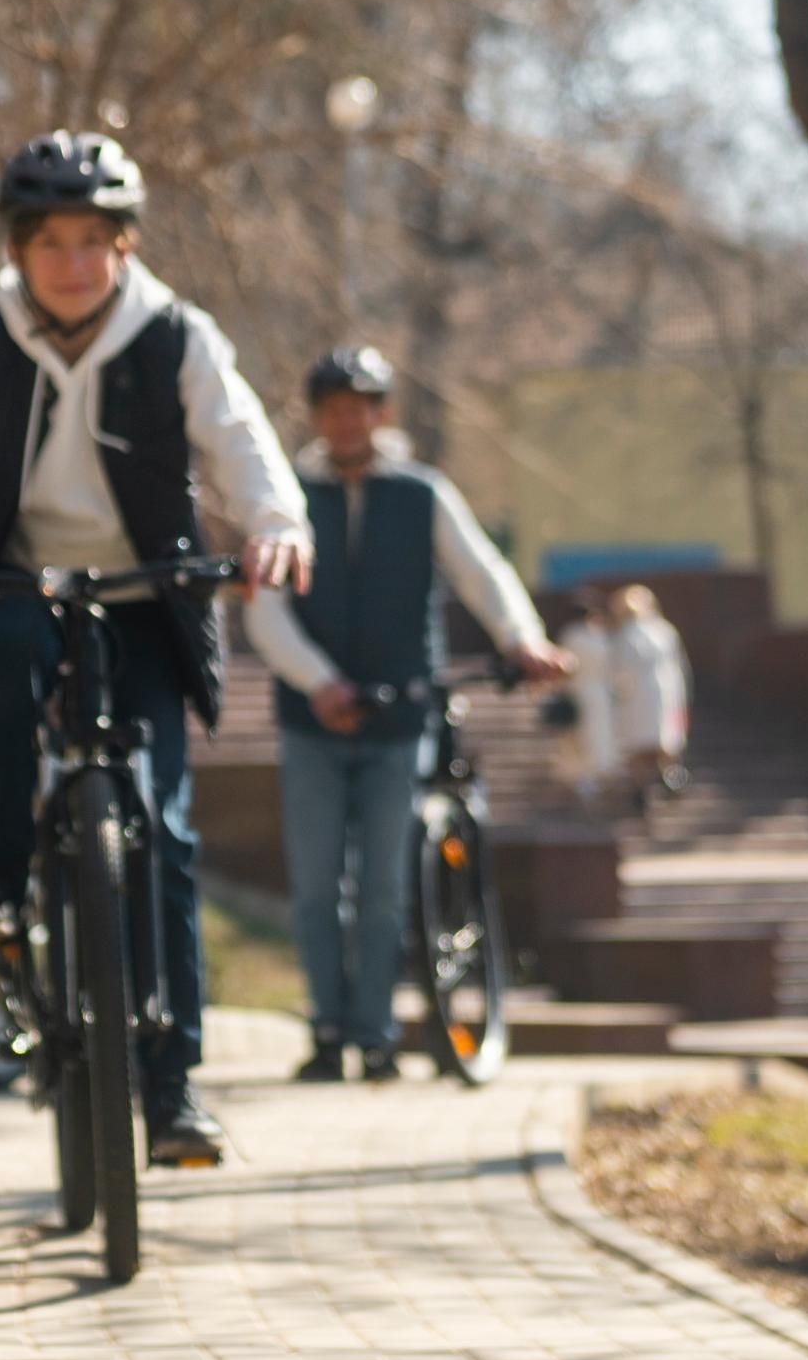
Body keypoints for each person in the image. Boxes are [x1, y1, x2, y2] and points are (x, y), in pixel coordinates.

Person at [0, 130, 311, 1168]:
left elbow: (239, 442)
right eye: (48, 241)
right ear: (16, 250)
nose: (71, 262)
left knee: (160, 820)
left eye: (92, 241)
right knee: (5, 661)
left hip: (144, 592)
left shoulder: (175, 337)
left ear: (125, 244)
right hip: (9, 579)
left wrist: (276, 522)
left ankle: (173, 1086)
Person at [240, 347, 567, 1083]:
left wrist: (522, 638)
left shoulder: (422, 493)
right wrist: (319, 682)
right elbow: (266, 612)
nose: (346, 419)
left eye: (360, 405)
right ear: (317, 417)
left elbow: (481, 571)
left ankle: (377, 1031)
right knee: (319, 882)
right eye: (332, 407)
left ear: (380, 413)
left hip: (399, 715)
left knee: (387, 882)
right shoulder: (288, 496)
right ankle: (327, 1029)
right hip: (309, 718)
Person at [611, 581, 693, 806]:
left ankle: (647, 787)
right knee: (662, 743)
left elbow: (621, 672)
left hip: (642, 695)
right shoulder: (663, 631)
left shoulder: (629, 634)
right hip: (662, 692)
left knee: (645, 745)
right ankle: (666, 782)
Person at [553, 590, 624, 808]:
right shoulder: (599, 636)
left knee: (583, 738)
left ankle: (587, 782)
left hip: (581, 691)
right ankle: (590, 781)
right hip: (596, 693)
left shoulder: (570, 635)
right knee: (592, 736)